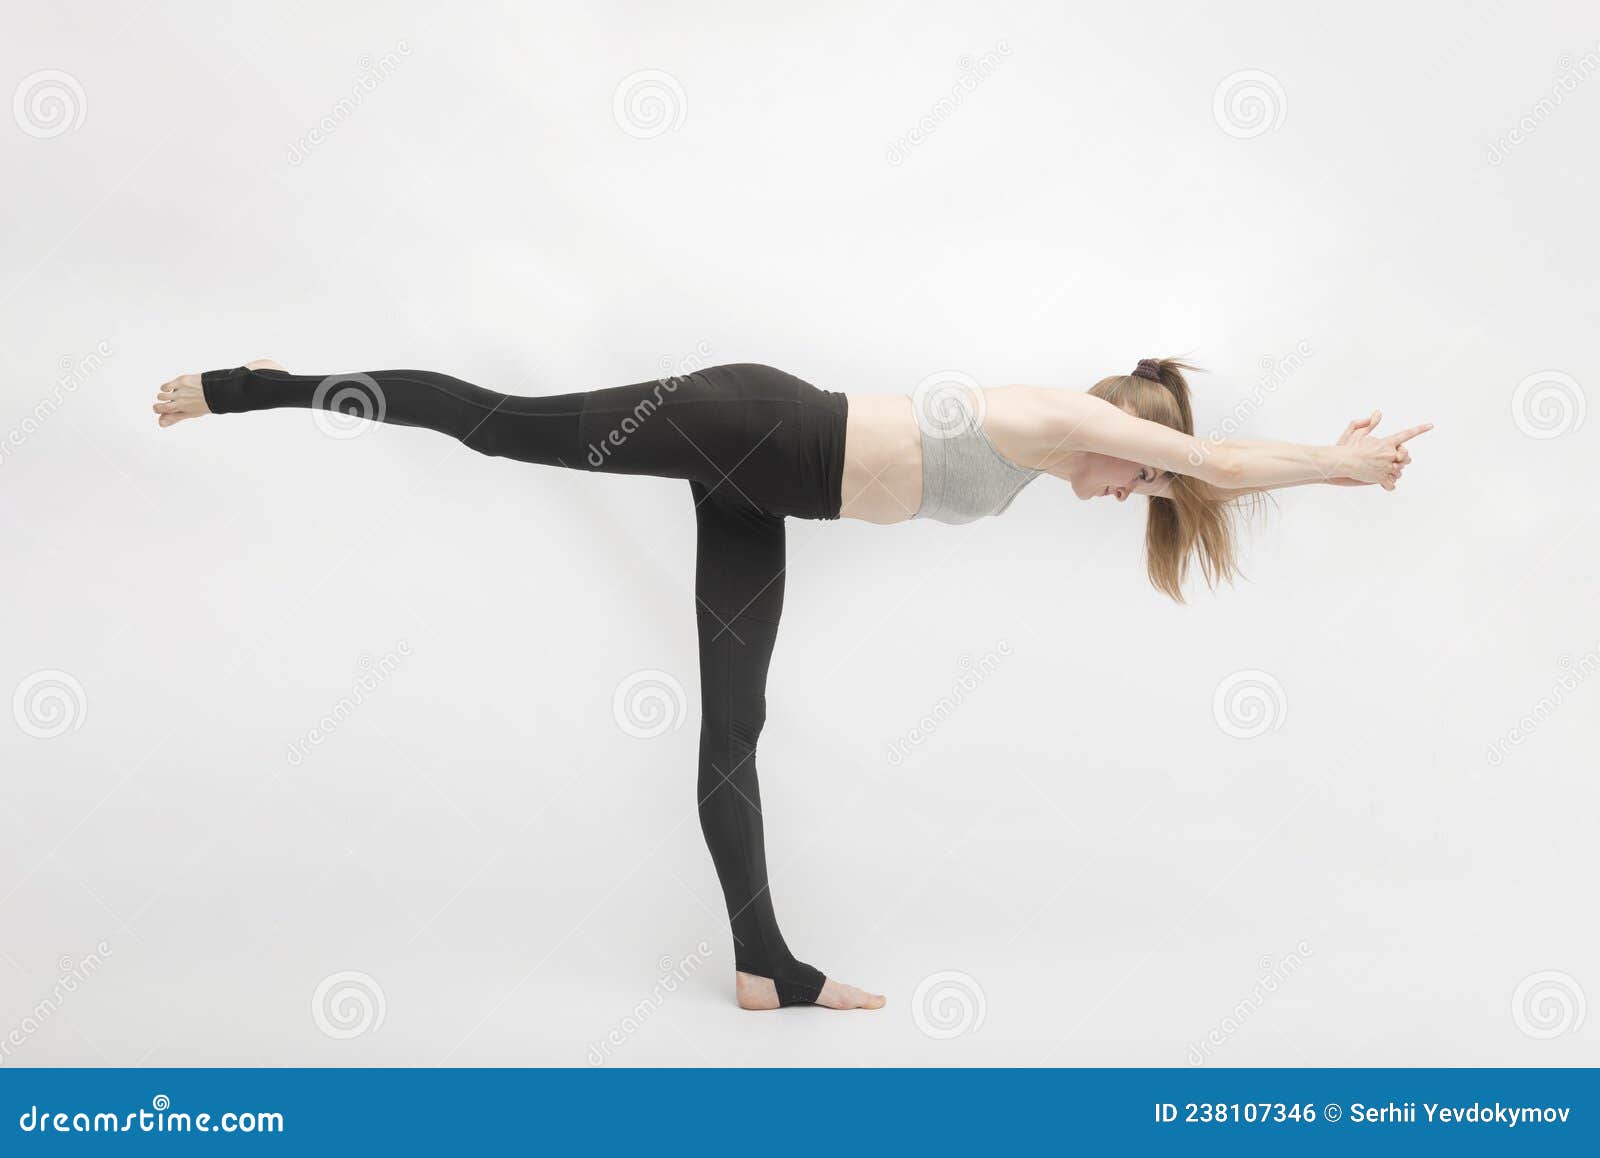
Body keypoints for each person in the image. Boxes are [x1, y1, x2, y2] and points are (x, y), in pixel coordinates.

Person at [153, 356, 1430, 1010]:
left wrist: (1310, 465)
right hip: (747, 422)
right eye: (1134, 481)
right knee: (501, 424)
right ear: (1122, 431)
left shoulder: (1060, 452)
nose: (1125, 497)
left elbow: (1192, 464)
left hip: (764, 480)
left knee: (735, 729)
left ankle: (763, 966)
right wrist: (1335, 462)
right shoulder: (1065, 418)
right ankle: (256, 384)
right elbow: (1207, 456)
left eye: (1137, 491)